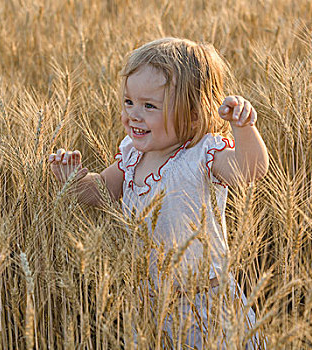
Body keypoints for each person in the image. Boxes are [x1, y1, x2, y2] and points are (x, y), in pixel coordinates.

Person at [48, 37, 269, 348]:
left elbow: (250, 172)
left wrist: (243, 127)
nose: (133, 115)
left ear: (193, 114)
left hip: (208, 305)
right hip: (153, 306)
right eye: (129, 102)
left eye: (149, 106)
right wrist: (73, 180)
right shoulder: (132, 156)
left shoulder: (202, 154)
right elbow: (101, 193)